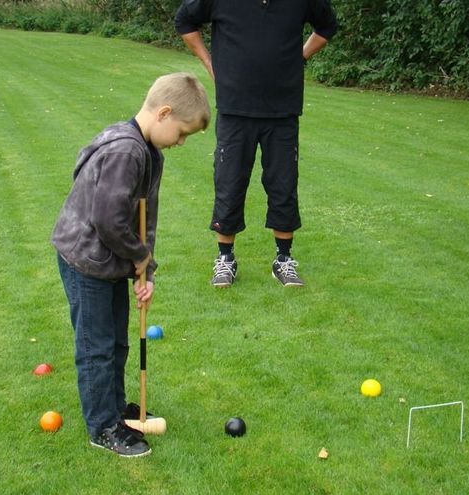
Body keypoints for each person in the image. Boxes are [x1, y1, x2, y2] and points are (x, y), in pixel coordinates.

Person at [51, 72, 211, 457]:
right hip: (86, 260)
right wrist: (138, 256)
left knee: (118, 341)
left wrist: (146, 269)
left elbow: (143, 218)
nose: (182, 142)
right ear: (164, 113)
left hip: (109, 261)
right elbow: (109, 220)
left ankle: (116, 407)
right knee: (96, 347)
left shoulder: (149, 152)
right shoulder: (127, 151)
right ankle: (102, 426)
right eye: (182, 132)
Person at [175, 0, 337, 287]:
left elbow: (327, 25)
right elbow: (185, 22)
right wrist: (211, 63)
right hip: (235, 108)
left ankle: (283, 260)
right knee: (229, 183)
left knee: (283, 184)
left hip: (283, 109)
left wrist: (300, 57)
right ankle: (225, 259)